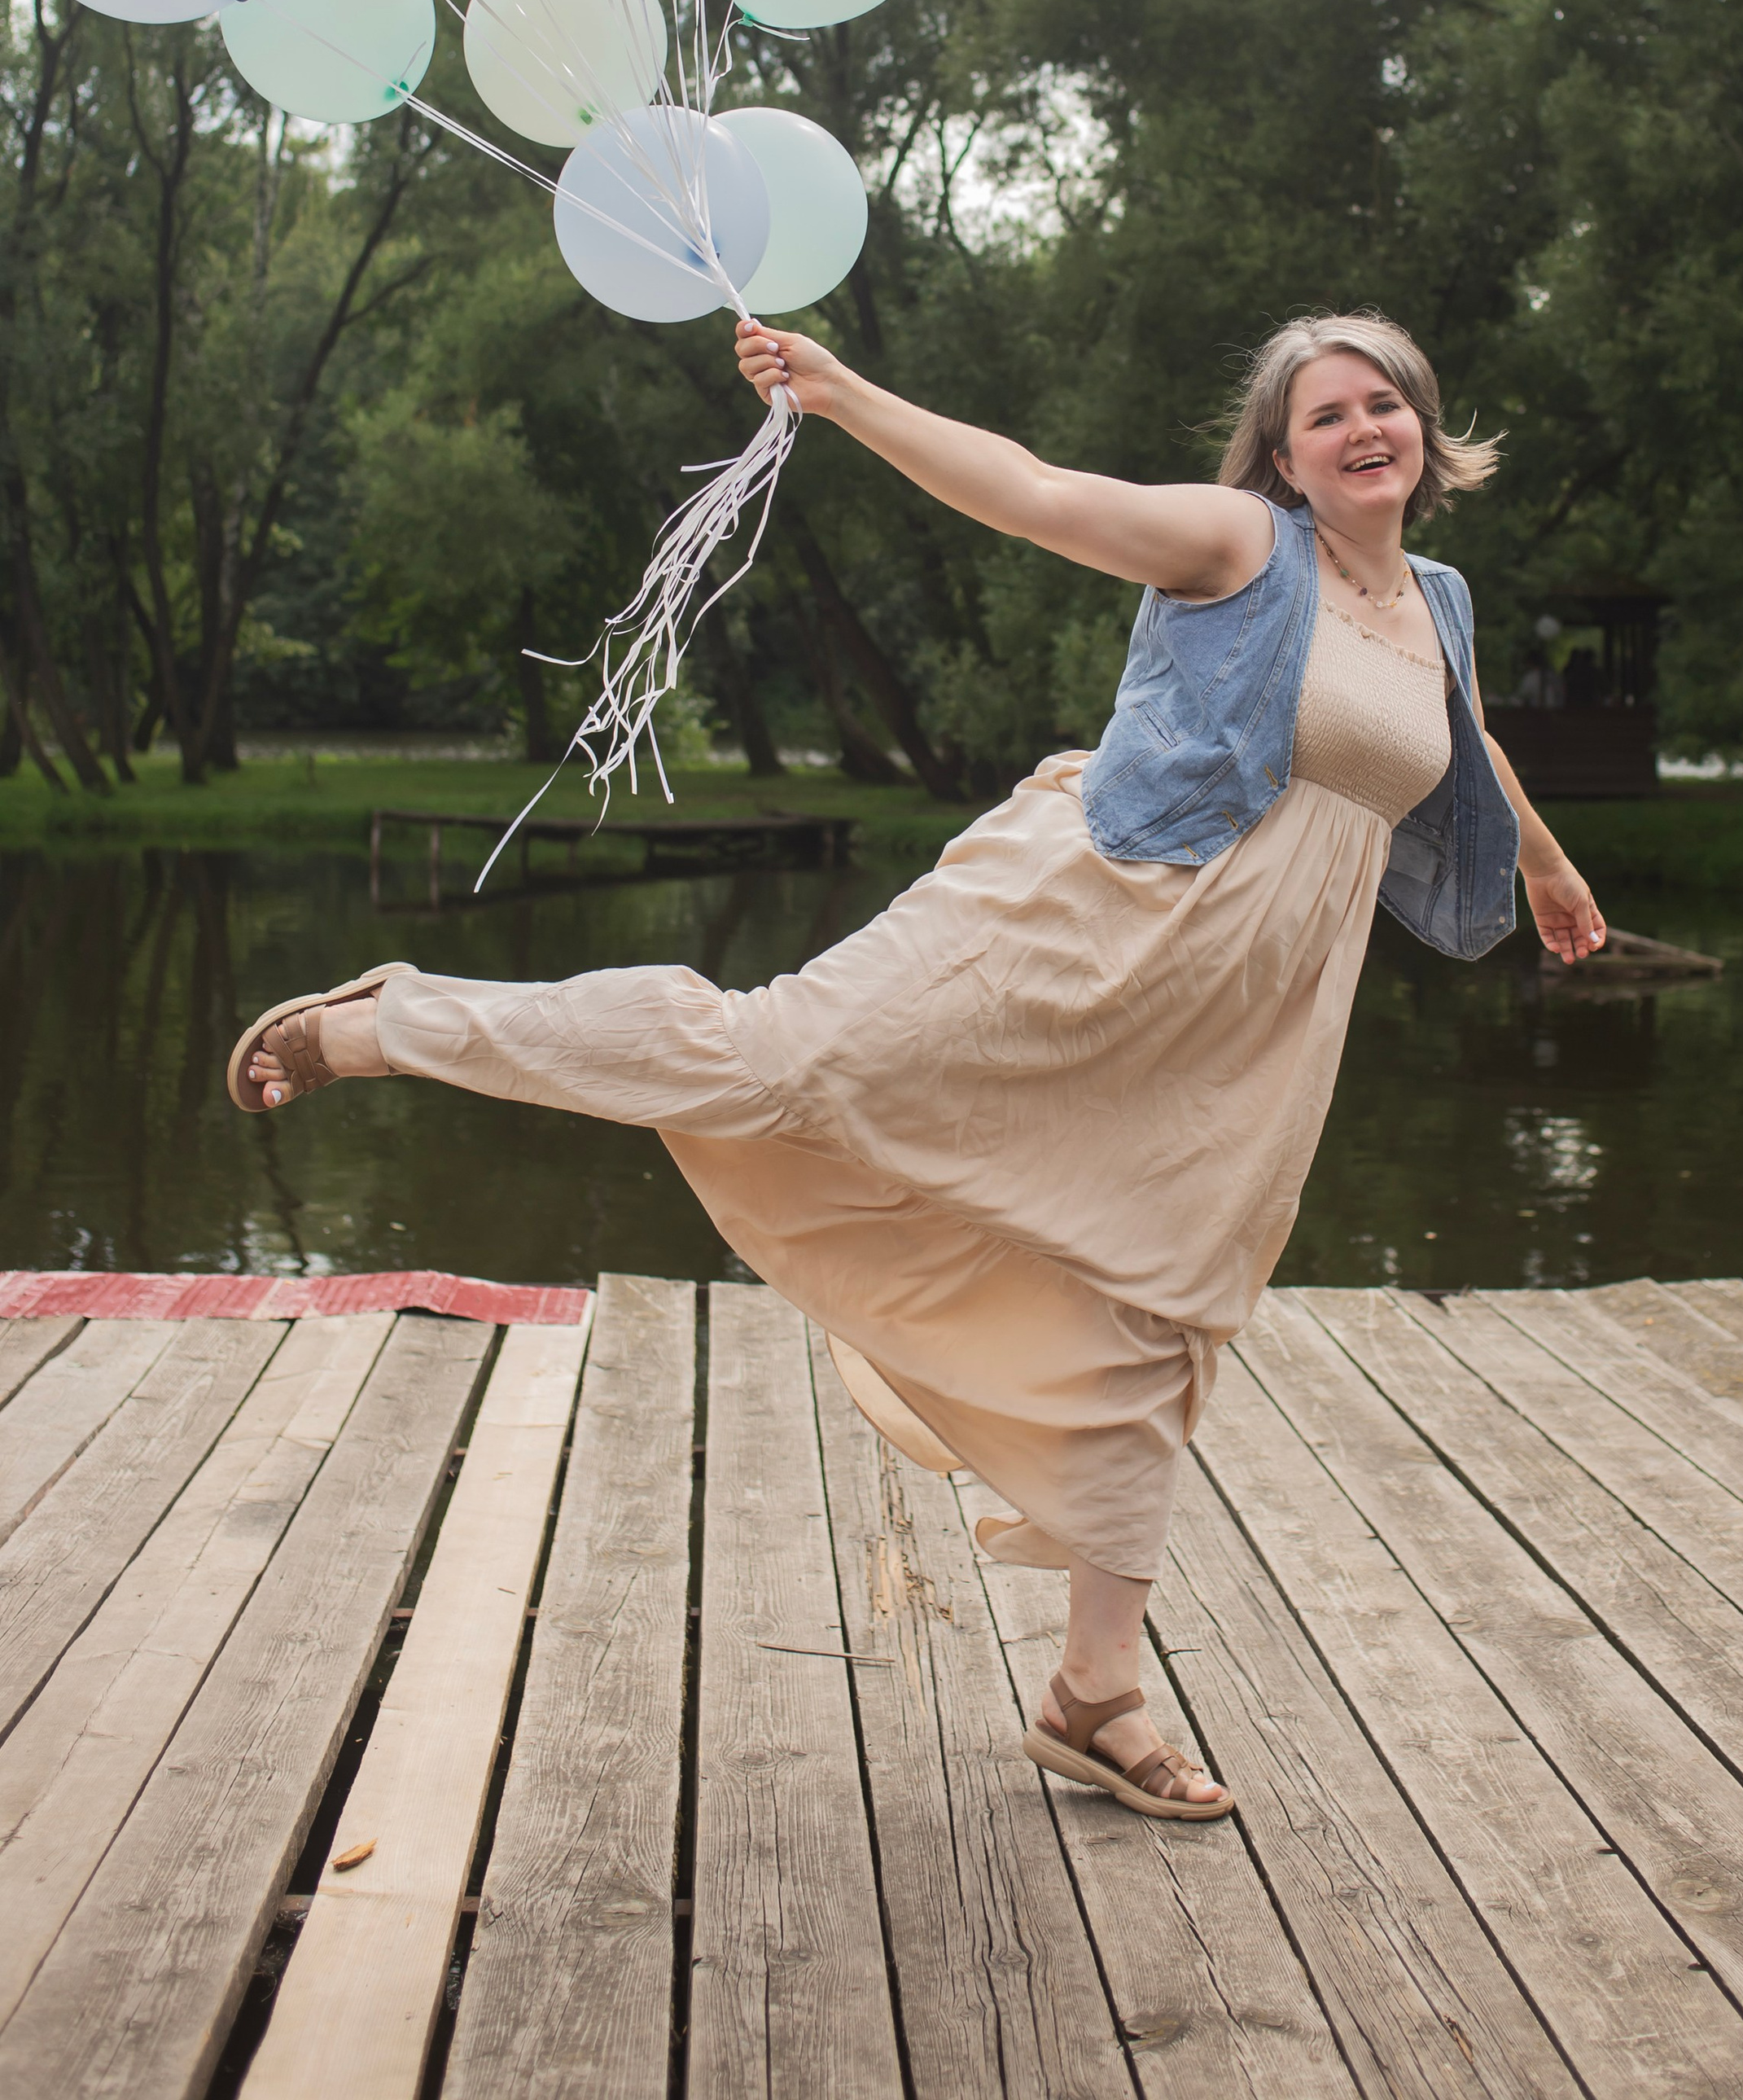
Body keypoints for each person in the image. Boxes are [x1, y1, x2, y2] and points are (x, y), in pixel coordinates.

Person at [226, 310, 1603, 1824]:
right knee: (769, 1060)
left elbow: (1460, 739)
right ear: (1283, 452)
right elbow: (1033, 490)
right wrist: (841, 394)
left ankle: (1096, 1696)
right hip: (1085, 912)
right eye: (1326, 412)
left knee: (1168, 1304)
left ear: (1425, 426)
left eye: (1385, 401)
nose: (1363, 427)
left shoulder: (1438, 601)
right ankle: (390, 1023)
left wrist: (1543, 865)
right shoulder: (1239, 542)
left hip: (1248, 1019)